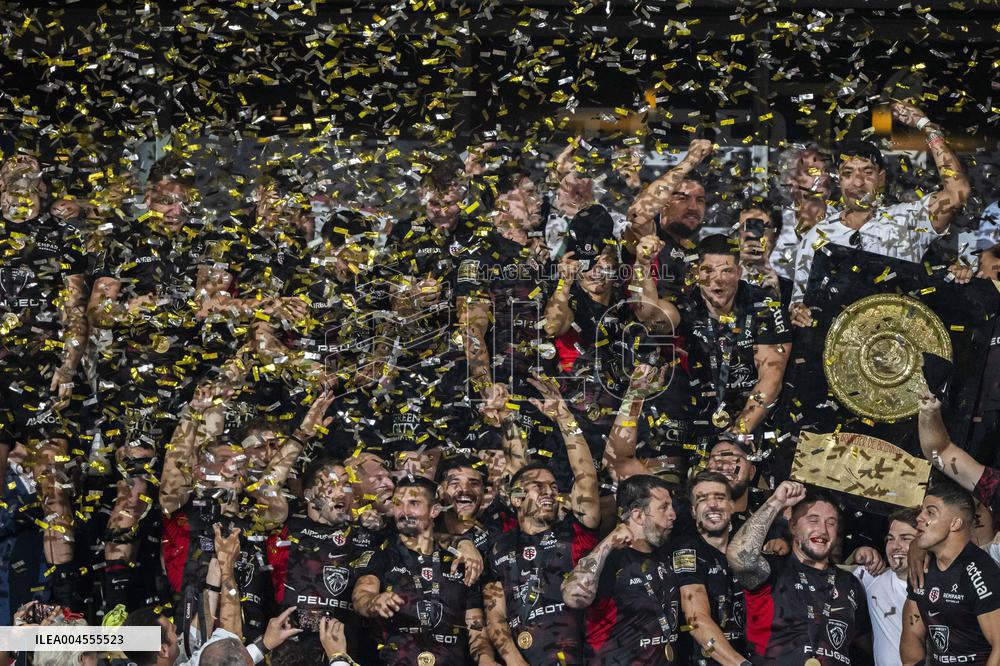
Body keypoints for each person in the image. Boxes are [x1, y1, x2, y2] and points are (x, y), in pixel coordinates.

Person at [0, 154, 89, 607]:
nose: (22, 193)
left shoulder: (61, 239)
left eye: (31, 186)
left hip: (42, 376)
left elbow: (76, 311)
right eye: (13, 184)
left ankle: (62, 608)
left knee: (56, 484)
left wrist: (68, 365)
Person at [791, 102, 971, 325]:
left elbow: (957, 192)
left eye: (867, 172)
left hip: (906, 345)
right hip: (844, 353)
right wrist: (798, 311)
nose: (857, 182)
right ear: (839, 180)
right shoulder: (817, 237)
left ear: (881, 178)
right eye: (848, 173)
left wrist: (926, 127)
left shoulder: (908, 219)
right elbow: (799, 303)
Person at [483, 377, 601, 665]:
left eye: (552, 486)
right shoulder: (500, 545)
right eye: (538, 486)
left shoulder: (577, 529)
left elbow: (585, 475)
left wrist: (564, 416)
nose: (548, 490)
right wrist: (507, 417)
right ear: (516, 499)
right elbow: (496, 616)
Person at [727, 481, 872, 664]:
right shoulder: (773, 569)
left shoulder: (850, 584)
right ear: (793, 527)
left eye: (831, 522)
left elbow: (864, 649)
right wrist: (776, 501)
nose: (823, 529)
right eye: (813, 520)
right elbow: (739, 558)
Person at [351, 476, 491, 665]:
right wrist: (374, 601)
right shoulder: (382, 553)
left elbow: (475, 625)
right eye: (398, 504)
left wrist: (486, 659)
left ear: (434, 510)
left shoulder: (458, 561)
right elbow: (361, 595)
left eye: (414, 503)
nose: (404, 511)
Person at [680, 234, 791, 440]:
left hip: (755, 418)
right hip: (695, 414)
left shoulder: (764, 304)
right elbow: (652, 315)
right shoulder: (683, 305)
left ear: (739, 272)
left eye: (727, 271)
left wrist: (737, 434)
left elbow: (771, 377)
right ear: (696, 273)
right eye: (709, 270)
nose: (718, 279)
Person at [562, 474, 680, 665]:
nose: (673, 514)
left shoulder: (665, 553)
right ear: (638, 515)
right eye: (664, 508)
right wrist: (609, 541)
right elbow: (572, 597)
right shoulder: (609, 558)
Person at [901, 482, 1000, 665]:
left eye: (930, 512)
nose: (919, 518)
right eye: (922, 511)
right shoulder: (921, 566)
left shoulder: (981, 573)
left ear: (955, 523)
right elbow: (912, 635)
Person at [670, 471, 750, 665]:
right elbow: (695, 621)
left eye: (720, 497)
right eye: (702, 499)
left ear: (732, 506)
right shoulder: (686, 550)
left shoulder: (748, 551)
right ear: (693, 511)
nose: (713, 504)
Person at [624, 139, 713, 311]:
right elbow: (636, 216)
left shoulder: (697, 251)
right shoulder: (649, 235)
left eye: (700, 200)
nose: (693, 207)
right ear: (664, 203)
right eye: (682, 198)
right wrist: (690, 161)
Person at [848, 507, 918, 666]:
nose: (895, 546)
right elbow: (827, 573)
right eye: (890, 538)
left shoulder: (942, 585)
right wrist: (856, 553)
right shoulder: (873, 577)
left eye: (905, 538)